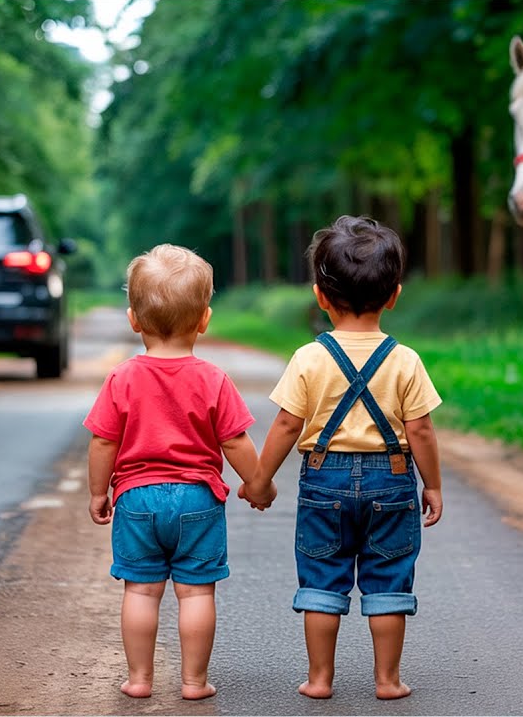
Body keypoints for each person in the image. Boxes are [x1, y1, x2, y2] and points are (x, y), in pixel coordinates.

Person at [241, 215, 444, 700]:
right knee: (389, 580)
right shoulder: (405, 360)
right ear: (394, 294)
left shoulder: (309, 358)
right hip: (391, 483)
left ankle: (319, 679)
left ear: (320, 296)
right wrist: (431, 484)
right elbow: (419, 429)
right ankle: (388, 680)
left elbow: (287, 425)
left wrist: (259, 480)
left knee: (323, 579)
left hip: (323, 481)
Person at [85, 244, 262, 700]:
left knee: (141, 593)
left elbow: (104, 440)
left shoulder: (121, 378)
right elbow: (235, 441)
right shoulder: (213, 379)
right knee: (197, 594)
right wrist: (257, 482)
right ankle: (193, 682)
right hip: (197, 499)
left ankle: (140, 680)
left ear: (133, 319)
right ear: (204, 319)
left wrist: (98, 493)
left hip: (137, 499)